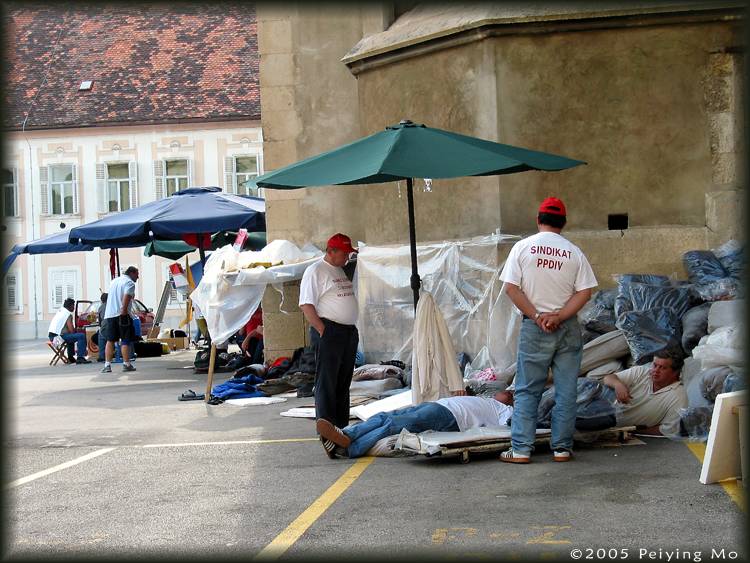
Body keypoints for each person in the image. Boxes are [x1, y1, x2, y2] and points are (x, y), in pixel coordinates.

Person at [498, 197, 597, 463]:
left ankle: (520, 449)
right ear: (563, 223)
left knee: (528, 389)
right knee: (566, 390)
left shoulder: (522, 247)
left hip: (534, 327)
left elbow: (511, 288)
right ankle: (562, 448)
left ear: (538, 219)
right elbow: (585, 292)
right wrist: (561, 316)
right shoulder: (573, 252)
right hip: (567, 328)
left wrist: (538, 316)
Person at [316, 391, 515, 459]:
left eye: (510, 393)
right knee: (386, 416)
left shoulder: (506, 412)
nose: (505, 391)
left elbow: (513, 426)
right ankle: (346, 434)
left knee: (394, 424)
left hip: (449, 417)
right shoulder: (487, 399)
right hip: (438, 405)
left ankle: (350, 448)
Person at [299, 233, 359, 432]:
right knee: (327, 381)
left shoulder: (338, 270)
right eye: (344, 253)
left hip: (347, 332)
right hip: (330, 330)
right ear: (331, 251)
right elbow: (307, 305)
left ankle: (341, 426)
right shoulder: (315, 271)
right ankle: (326, 425)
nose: (347, 258)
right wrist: (322, 330)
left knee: (343, 381)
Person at [593, 349, 688, 436]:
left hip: (610, 423)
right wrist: (618, 385)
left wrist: (631, 430)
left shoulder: (678, 396)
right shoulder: (642, 372)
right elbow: (608, 378)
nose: (656, 371)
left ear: (675, 372)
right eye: (655, 365)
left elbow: (669, 429)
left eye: (662, 368)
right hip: (600, 406)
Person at [101, 266, 139, 373]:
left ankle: (107, 365)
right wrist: (123, 311)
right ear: (132, 273)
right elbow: (126, 296)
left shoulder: (114, 281)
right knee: (125, 340)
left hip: (110, 314)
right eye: (137, 274)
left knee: (110, 340)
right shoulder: (130, 283)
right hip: (122, 314)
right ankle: (126, 364)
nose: (138, 277)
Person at [48, 297, 90, 364]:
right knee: (81, 336)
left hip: (52, 337)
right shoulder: (67, 314)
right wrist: (77, 330)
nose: (74, 308)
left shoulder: (61, 311)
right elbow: (71, 330)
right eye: (73, 306)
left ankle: (70, 357)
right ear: (70, 306)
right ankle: (80, 357)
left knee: (71, 337)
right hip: (57, 338)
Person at [97, 293, 108, 362]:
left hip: (105, 326)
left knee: (100, 336)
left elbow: (100, 321)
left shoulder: (100, 308)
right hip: (114, 325)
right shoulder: (112, 305)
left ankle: (102, 355)